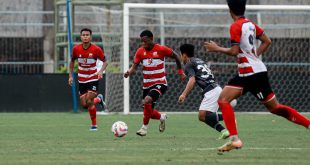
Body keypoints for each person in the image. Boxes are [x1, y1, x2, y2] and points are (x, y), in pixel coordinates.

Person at [205, 0, 310, 153]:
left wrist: (216, 48)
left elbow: (234, 51)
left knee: (223, 100)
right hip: (255, 71)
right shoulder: (251, 24)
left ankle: (234, 139)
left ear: (230, 10)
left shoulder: (235, 26)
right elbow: (267, 41)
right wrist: (254, 56)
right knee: (275, 108)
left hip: (250, 74)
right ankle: (308, 124)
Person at [124, 30, 186, 136]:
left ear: (151, 39)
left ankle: (144, 129)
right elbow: (134, 67)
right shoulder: (140, 51)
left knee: (147, 100)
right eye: (141, 42)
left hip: (160, 82)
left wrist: (180, 72)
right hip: (147, 84)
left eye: (145, 41)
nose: (143, 44)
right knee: (149, 113)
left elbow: (176, 56)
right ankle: (162, 117)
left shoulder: (161, 49)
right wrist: (129, 72)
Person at [178, 43, 230, 140]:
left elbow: (192, 80)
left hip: (211, 90)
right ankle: (224, 131)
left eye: (181, 55)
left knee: (202, 116)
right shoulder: (199, 61)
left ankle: (229, 117)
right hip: (215, 88)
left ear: (184, 55)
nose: (181, 58)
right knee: (204, 116)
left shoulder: (188, 64)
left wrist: (183, 94)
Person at [68, 28, 108, 131]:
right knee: (85, 105)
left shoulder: (96, 49)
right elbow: (72, 62)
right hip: (82, 79)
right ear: (81, 37)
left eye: (87, 35)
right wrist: (71, 76)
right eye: (83, 35)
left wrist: (100, 71)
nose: (85, 36)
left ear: (90, 37)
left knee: (89, 100)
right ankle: (99, 99)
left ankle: (94, 125)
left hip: (93, 77)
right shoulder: (76, 49)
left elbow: (105, 62)